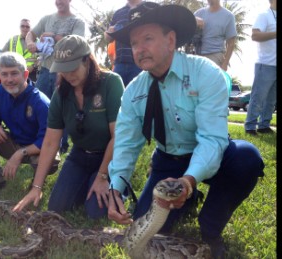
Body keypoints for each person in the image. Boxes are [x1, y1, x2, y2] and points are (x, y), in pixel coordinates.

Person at [106, 3, 265, 258]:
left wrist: (188, 182)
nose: (139, 48)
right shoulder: (134, 91)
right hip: (168, 161)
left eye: (147, 38)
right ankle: (185, 202)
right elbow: (126, 144)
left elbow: (212, 140)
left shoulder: (205, 73)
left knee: (247, 158)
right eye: (134, 43)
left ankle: (210, 228)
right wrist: (116, 187)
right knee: (147, 226)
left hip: (212, 155)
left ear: (170, 40)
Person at [13, 35, 125, 219]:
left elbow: (118, 136)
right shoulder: (61, 94)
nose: (68, 75)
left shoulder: (111, 83)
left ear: (87, 60)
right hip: (80, 155)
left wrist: (103, 175)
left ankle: (109, 185)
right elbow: (50, 142)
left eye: (72, 68)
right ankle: (84, 185)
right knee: (56, 207)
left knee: (96, 213)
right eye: (63, 70)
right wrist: (37, 187)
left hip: (109, 157)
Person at [0, 52, 59, 193]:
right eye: (4, 74)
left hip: (39, 149)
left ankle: (37, 183)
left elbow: (49, 141)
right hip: (14, 143)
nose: (9, 79)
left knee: (52, 159)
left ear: (25, 74)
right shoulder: (0, 92)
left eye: (14, 73)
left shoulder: (41, 102)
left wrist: (20, 154)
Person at [26, 0, 86, 154]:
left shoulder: (77, 22)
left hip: (65, 72)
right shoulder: (46, 19)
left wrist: (52, 36)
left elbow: (76, 44)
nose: (59, 1)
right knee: (38, 105)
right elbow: (30, 34)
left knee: (64, 108)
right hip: (45, 70)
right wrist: (30, 42)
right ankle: (38, 141)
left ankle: (61, 145)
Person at [244, 0, 277, 135]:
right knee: (258, 97)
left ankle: (264, 125)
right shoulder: (264, 15)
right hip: (266, 64)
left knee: (271, 99)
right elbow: (255, 35)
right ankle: (250, 126)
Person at [104, 0, 142, 86]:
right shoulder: (118, 13)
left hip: (141, 64)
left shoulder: (148, 8)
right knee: (117, 96)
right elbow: (108, 37)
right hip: (119, 64)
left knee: (139, 97)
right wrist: (109, 32)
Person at [194, 0, 237, 71]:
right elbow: (186, 26)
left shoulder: (228, 16)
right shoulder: (198, 13)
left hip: (215, 56)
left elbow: (231, 44)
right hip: (197, 56)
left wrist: (225, 63)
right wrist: (194, 20)